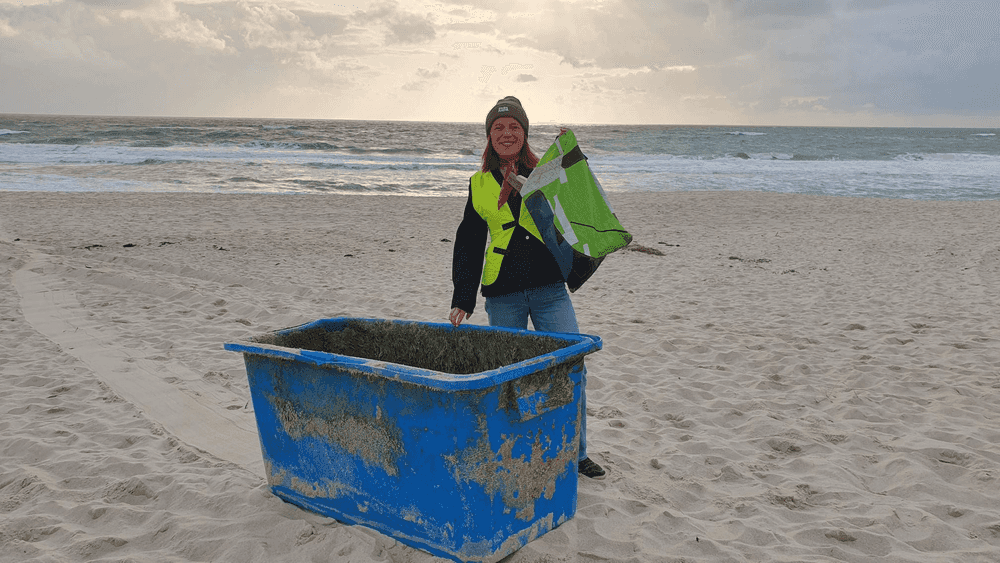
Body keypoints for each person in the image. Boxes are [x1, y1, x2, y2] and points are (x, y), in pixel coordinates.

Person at [449, 96, 605, 480]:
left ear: (525, 133)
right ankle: (513, 449)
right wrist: (462, 297)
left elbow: (581, 196)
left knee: (570, 366)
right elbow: (469, 241)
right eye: (499, 128)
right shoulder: (479, 183)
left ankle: (577, 452)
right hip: (502, 293)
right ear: (489, 136)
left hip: (551, 288)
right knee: (508, 376)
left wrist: (570, 153)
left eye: (514, 127)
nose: (507, 133)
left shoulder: (547, 172)